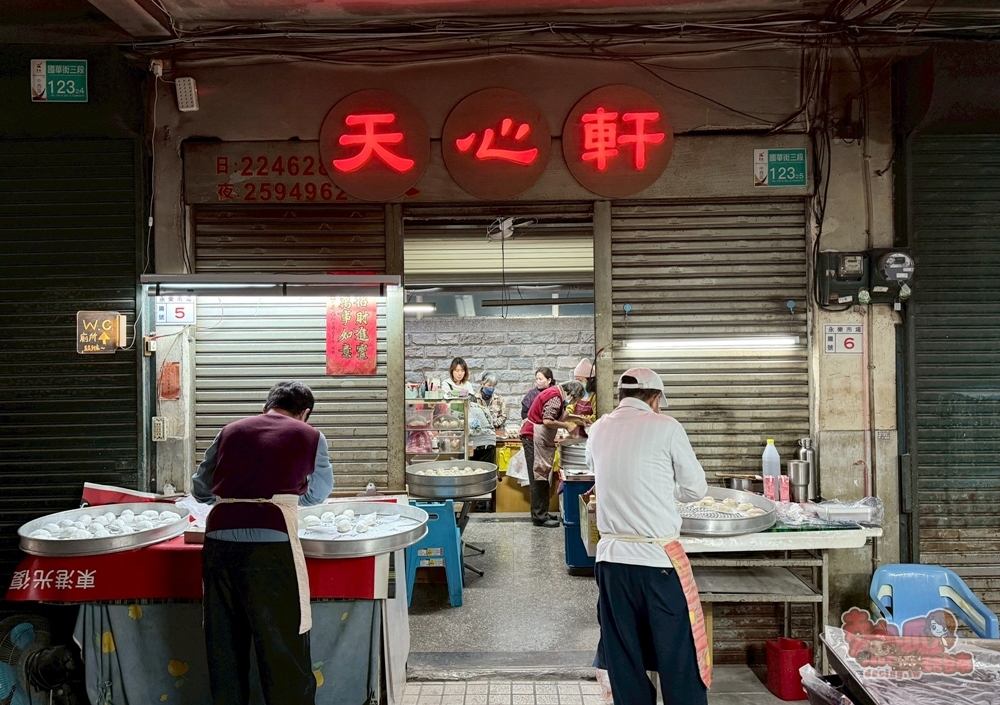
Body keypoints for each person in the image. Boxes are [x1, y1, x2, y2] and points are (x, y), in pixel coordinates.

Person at [192, 381, 334, 705]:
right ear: (305, 413)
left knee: (224, 644)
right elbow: (318, 493)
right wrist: (285, 496)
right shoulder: (311, 436)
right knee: (282, 647)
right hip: (272, 544)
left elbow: (200, 489)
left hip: (218, 543)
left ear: (266, 406)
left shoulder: (228, 431)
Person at [586, 369, 711, 705]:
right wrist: (663, 488)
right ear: (655, 399)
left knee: (624, 656)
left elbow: (598, 471)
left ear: (621, 397)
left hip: (611, 563)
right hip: (657, 563)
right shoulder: (667, 426)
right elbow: (695, 489)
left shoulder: (598, 428)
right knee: (678, 656)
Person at [520, 379, 584, 527]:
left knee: (542, 477)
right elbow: (548, 421)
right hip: (533, 437)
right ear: (571, 393)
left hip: (537, 438)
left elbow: (561, 416)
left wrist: (580, 419)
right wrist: (567, 426)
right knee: (538, 478)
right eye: (575, 399)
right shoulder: (556, 397)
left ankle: (542, 512)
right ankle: (539, 517)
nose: (573, 402)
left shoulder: (556, 394)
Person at [566, 357, 598, 439]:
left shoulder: (595, 397)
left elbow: (595, 417)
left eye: (580, 380)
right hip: (575, 434)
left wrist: (576, 419)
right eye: (576, 380)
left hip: (590, 435)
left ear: (590, 380)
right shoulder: (576, 394)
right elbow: (568, 411)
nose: (578, 384)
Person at [468, 394, 497, 465]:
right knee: (487, 468)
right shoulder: (484, 408)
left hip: (474, 443)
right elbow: (492, 422)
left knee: (473, 468)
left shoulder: (466, 408)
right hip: (489, 441)